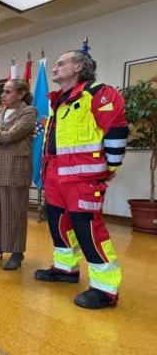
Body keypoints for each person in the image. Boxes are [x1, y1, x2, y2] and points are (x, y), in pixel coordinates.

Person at [34, 50, 128, 309]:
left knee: (88, 230)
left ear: (78, 66)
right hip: (54, 175)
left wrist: (110, 167)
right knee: (58, 225)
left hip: (84, 178)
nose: (54, 68)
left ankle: (105, 289)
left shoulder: (99, 93)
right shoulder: (57, 101)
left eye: (60, 63)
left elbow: (117, 129)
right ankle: (66, 270)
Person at [0, 79, 36, 270]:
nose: (2, 95)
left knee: (14, 212)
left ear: (20, 94)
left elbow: (13, 135)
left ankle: (16, 252)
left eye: (8, 92)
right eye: (3, 91)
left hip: (14, 168)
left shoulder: (28, 112)